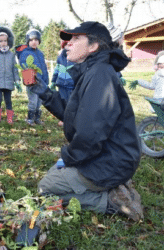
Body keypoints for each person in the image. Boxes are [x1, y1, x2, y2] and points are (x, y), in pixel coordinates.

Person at [30, 21, 142, 221]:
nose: (67, 44)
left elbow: (91, 133)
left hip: (110, 161)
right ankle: (115, 186)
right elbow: (73, 114)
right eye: (68, 39)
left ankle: (112, 201)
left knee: (45, 188)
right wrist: (44, 92)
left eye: (76, 38)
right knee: (53, 173)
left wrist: (69, 157)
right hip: (106, 156)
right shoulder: (93, 71)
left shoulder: (99, 75)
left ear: (93, 47)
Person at [0, 26, 21, 124]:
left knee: (8, 100)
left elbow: (14, 68)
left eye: (5, 41)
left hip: (8, 82)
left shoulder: (11, 55)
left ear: (8, 41)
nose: (3, 43)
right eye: (1, 41)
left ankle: (9, 117)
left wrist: (17, 80)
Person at [16, 29, 49, 126]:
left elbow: (44, 67)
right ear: (28, 42)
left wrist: (46, 79)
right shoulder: (25, 53)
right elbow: (23, 65)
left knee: (39, 101)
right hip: (32, 82)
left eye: (36, 40)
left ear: (39, 41)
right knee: (33, 101)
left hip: (41, 82)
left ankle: (37, 118)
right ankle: (30, 119)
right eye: (31, 40)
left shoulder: (40, 53)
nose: (34, 42)